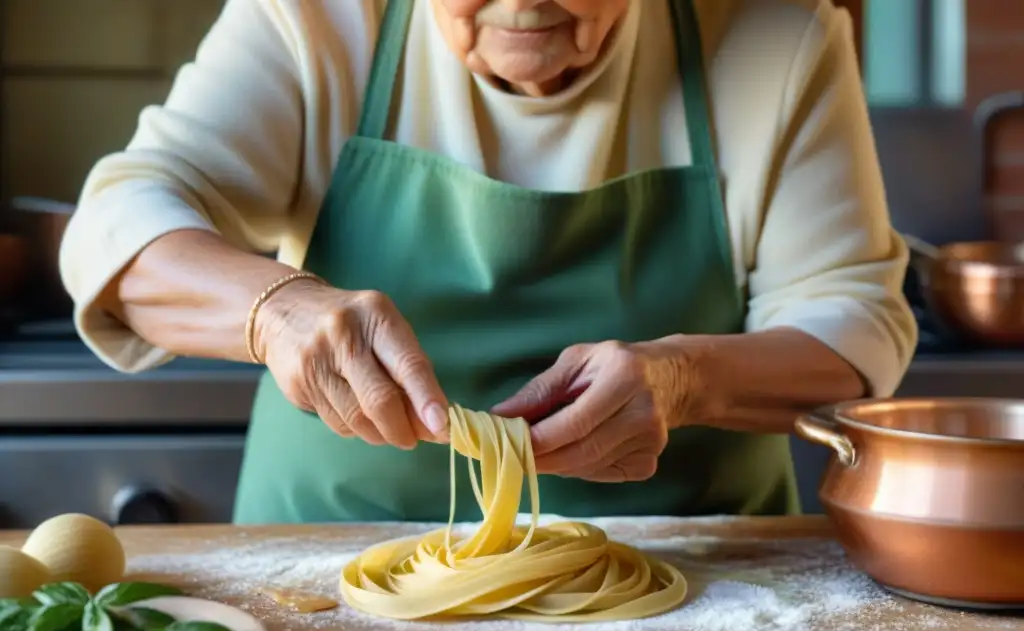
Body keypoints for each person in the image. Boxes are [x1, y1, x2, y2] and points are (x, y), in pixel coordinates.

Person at [59, 0, 917, 525]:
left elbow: (855, 334)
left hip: (692, 586)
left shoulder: (778, 38)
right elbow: (117, 225)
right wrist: (277, 311)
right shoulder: (314, 19)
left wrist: (683, 380)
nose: (524, 2)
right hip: (332, 575)